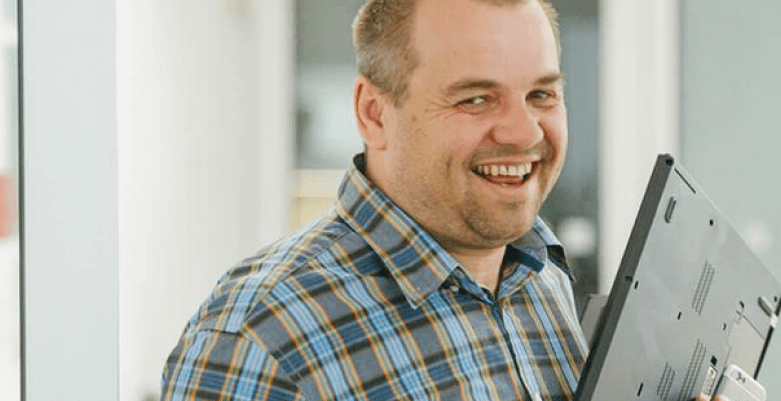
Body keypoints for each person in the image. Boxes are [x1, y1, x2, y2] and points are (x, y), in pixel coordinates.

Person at [161, 0, 730, 400]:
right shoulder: (259, 336)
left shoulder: (539, 278)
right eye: (476, 99)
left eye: (541, 94)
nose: (523, 132)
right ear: (373, 113)